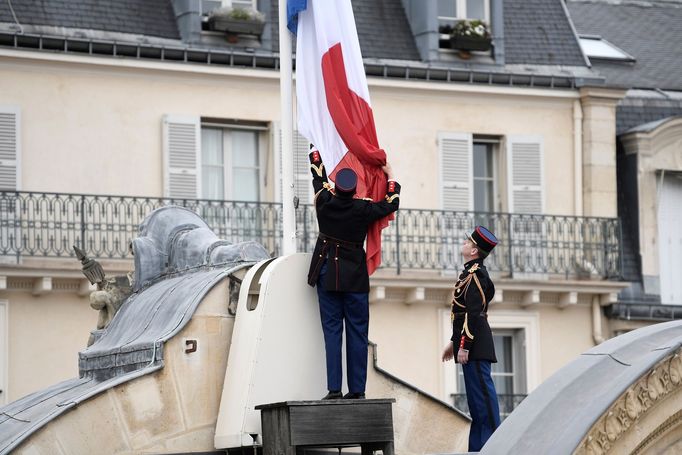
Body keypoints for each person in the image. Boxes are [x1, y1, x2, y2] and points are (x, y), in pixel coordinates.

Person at [307, 149, 400, 400]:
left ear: (336, 188)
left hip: (327, 272)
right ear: (354, 191)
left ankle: (334, 389)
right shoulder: (363, 209)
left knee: (332, 332)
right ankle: (357, 390)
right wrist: (390, 177)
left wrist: (316, 153)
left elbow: (318, 177)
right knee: (358, 333)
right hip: (355, 277)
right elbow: (392, 203)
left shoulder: (324, 201)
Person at [442, 226, 500, 451]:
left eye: (468, 242)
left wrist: (463, 346)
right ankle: (477, 447)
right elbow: (462, 314)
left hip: (475, 346)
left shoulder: (476, 274)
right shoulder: (470, 272)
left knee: (483, 398)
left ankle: (493, 443)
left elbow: (473, 313)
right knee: (476, 404)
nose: (464, 244)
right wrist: (454, 343)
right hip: (471, 344)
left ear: (474, 250)